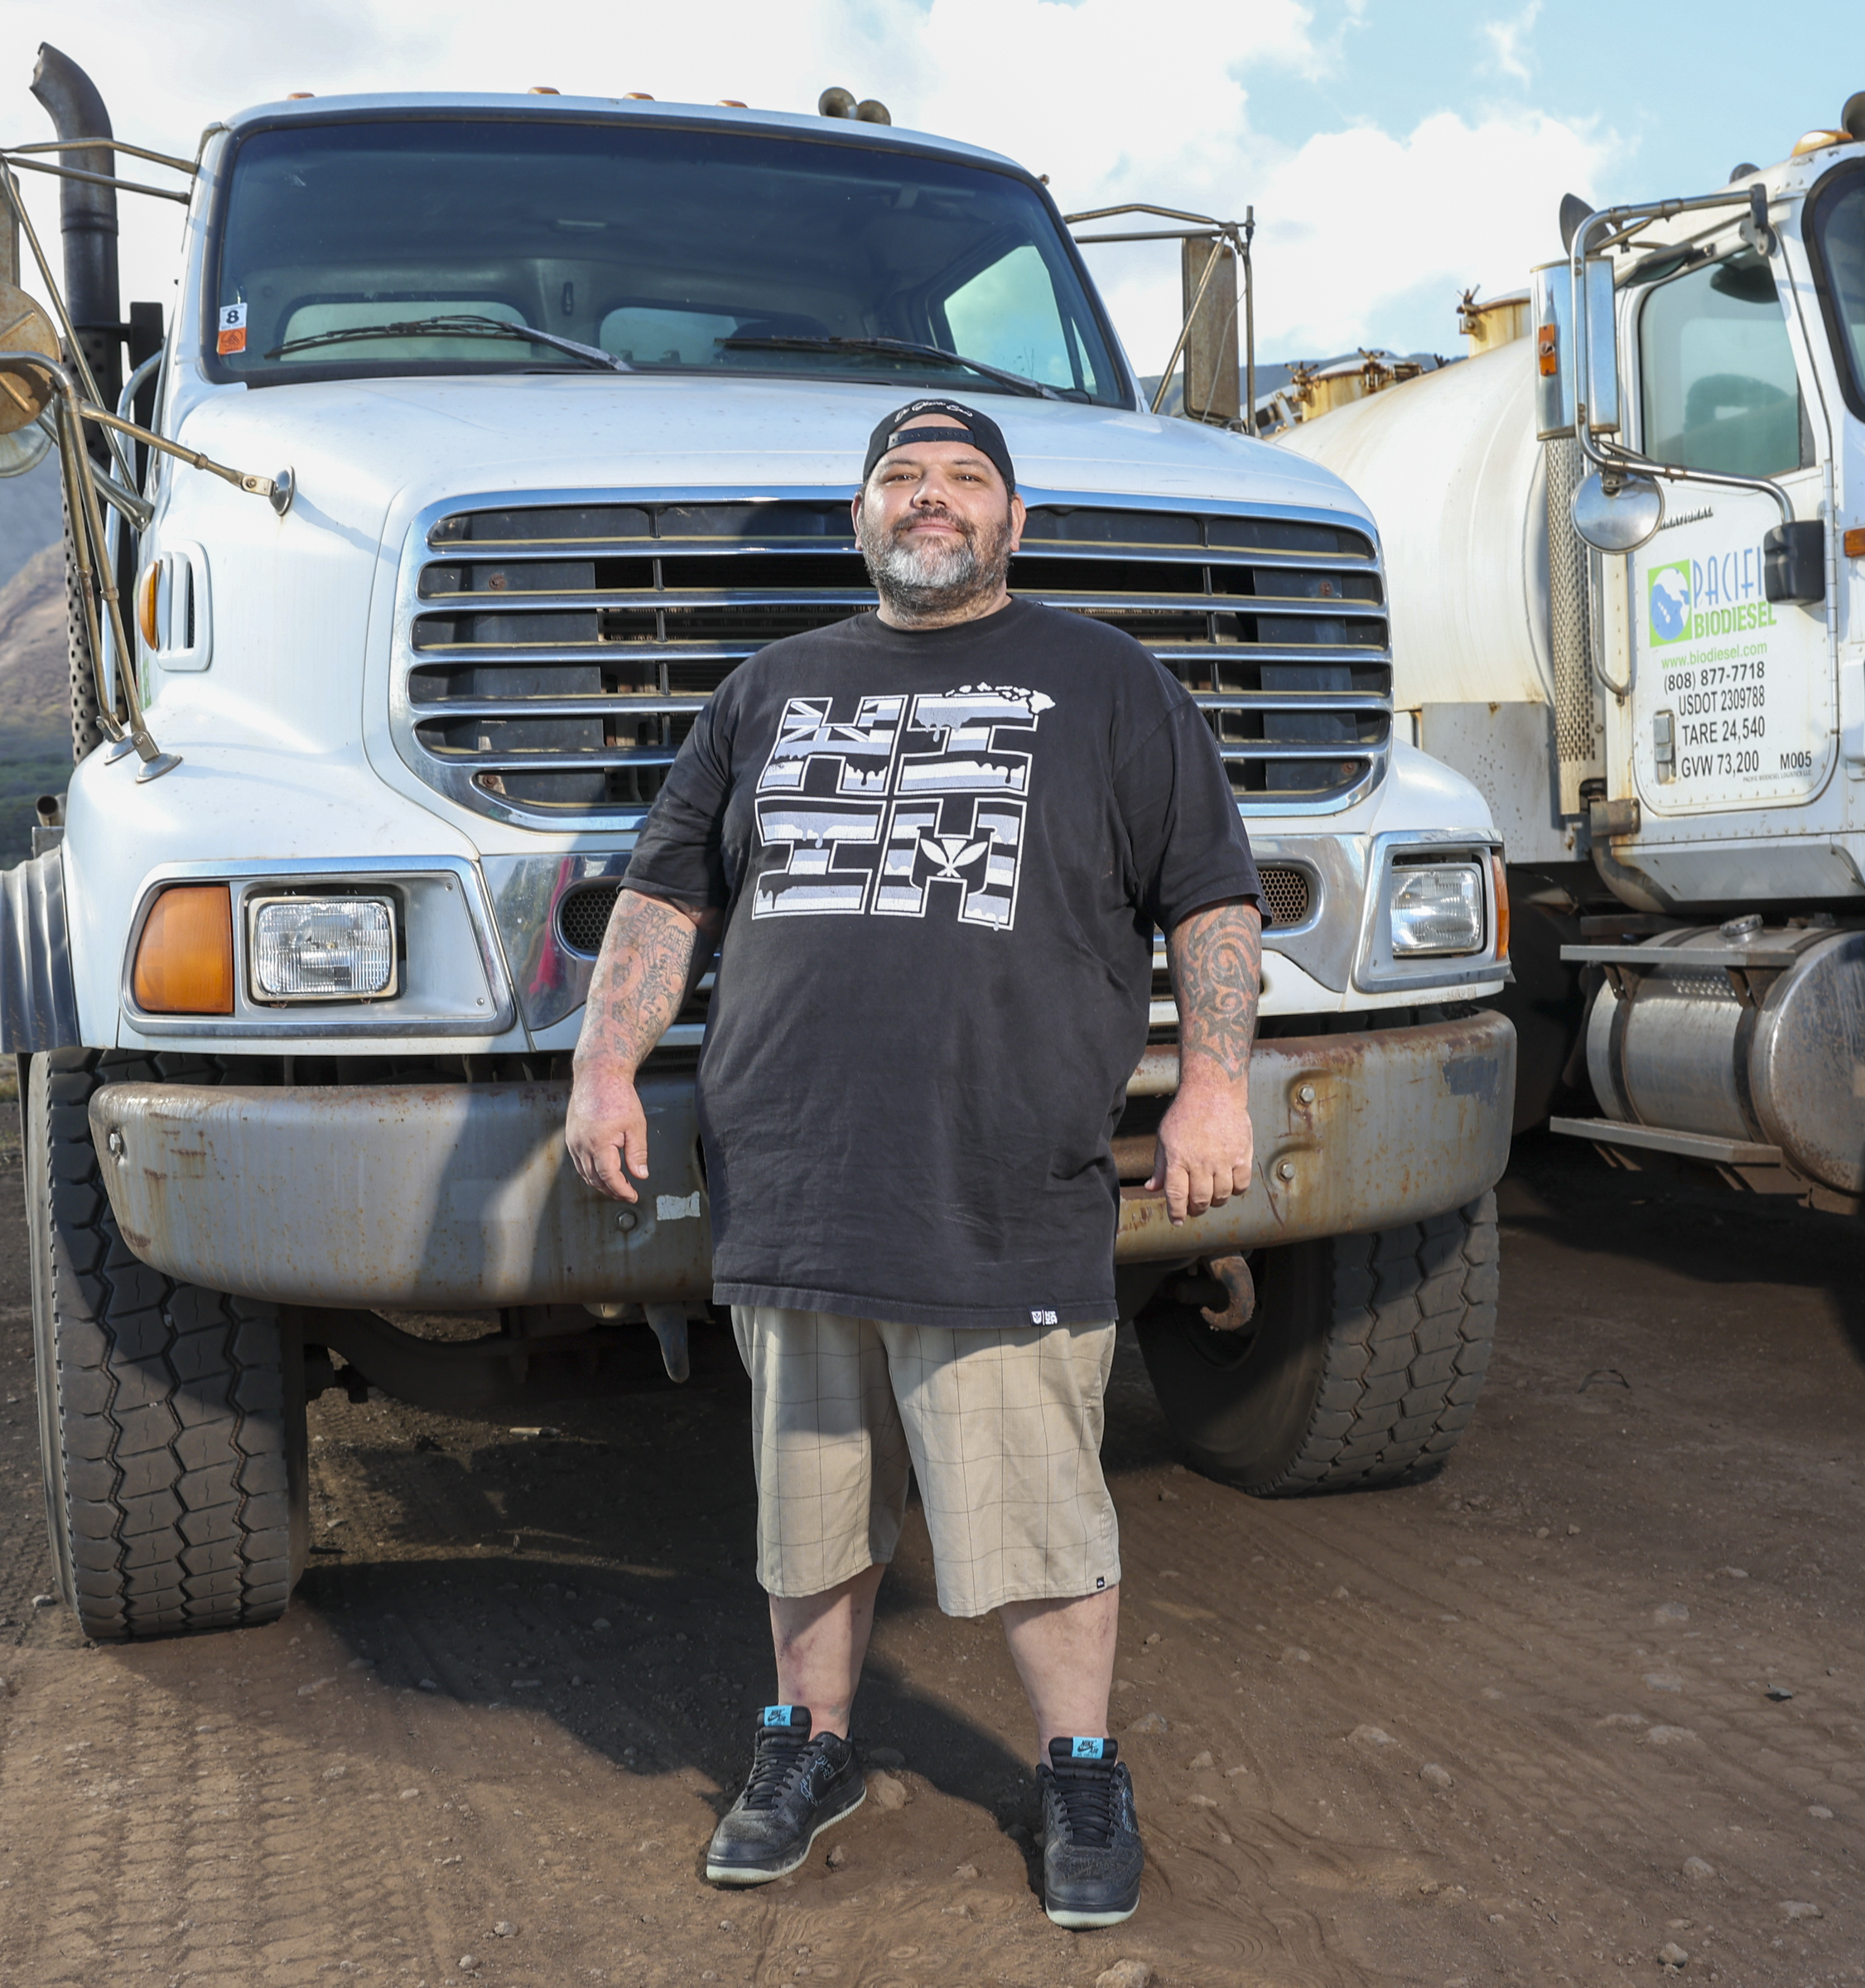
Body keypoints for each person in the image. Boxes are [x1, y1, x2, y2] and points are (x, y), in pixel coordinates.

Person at [563, 398, 1263, 1931]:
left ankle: (1080, 1765)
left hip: (1002, 1180)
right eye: (902, 477)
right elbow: (667, 897)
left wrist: (1217, 1087)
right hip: (794, 1175)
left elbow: (1210, 899)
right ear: (861, 520)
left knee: (1036, 1512)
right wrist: (605, 1060)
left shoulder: (1110, 682)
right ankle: (805, 1746)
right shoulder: (767, 690)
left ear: (1014, 521)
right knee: (805, 1512)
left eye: (963, 479)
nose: (930, 499)